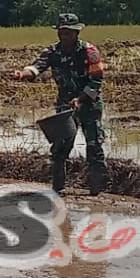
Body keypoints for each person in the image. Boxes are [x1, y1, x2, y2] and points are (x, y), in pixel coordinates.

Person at [7, 13, 109, 195]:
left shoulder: (90, 52)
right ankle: (58, 189)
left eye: (68, 33)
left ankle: (96, 192)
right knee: (60, 147)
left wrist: (80, 99)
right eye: (61, 33)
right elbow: (37, 67)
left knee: (94, 146)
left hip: (89, 105)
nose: (64, 36)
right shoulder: (53, 52)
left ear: (76, 33)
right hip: (65, 106)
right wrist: (23, 74)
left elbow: (96, 82)